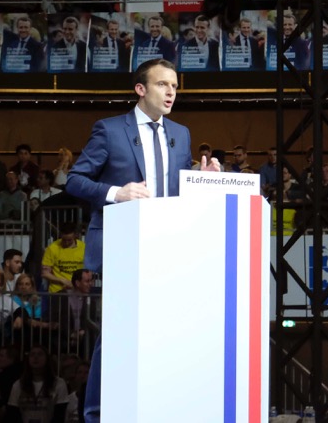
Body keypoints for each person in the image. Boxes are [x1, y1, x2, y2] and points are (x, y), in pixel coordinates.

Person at [64, 59, 220, 422]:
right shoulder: (109, 129)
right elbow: (74, 180)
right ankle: (97, 415)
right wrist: (117, 192)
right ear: (140, 89)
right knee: (118, 337)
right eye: (163, 85)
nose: (171, 93)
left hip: (167, 248)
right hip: (123, 248)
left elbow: (175, 187)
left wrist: (203, 177)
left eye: (175, 87)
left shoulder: (180, 133)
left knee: (163, 335)